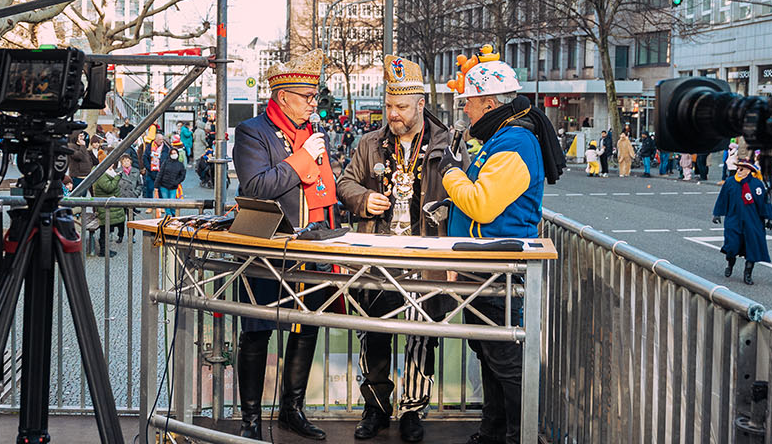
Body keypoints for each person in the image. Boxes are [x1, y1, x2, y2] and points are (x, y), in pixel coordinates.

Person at [439, 50, 562, 444]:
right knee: (489, 353)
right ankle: (493, 431)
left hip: (498, 266)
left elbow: (482, 204)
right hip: (486, 264)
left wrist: (450, 175)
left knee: (505, 359)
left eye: (470, 103)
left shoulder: (516, 142)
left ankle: (519, 435)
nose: (466, 110)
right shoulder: (504, 137)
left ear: (489, 104)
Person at [335, 56, 459, 442]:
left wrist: (453, 253)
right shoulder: (369, 143)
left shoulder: (446, 145)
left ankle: (412, 411)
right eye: (389, 105)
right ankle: (375, 408)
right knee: (373, 334)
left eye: (401, 107)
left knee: (421, 338)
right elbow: (345, 183)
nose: (393, 114)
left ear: (420, 104)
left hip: (426, 258)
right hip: (378, 258)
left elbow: (462, 198)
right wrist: (362, 199)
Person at [230, 51, 338, 441]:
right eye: (307, 96)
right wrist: (302, 160)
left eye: (314, 96)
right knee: (257, 331)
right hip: (267, 249)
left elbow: (325, 189)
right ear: (283, 97)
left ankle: (292, 410)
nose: (313, 103)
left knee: (305, 329)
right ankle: (251, 421)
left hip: (311, 248)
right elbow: (256, 187)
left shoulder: (314, 133)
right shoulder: (252, 131)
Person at [713, 159, 772, 285]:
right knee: (732, 245)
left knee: (752, 247)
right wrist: (717, 213)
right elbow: (722, 198)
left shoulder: (757, 184)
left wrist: (770, 218)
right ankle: (730, 264)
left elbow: (764, 202)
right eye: (738, 168)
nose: (739, 170)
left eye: (742, 168)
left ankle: (747, 274)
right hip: (734, 219)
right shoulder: (730, 182)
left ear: (749, 171)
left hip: (753, 220)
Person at [87, 155, 131, 256]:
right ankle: (103, 251)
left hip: (109, 206)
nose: (112, 165)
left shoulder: (105, 172)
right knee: (105, 229)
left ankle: (105, 249)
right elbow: (108, 187)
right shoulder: (101, 174)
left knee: (106, 228)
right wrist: (117, 178)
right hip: (105, 206)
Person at [137, 129, 164, 200]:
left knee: (160, 190)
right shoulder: (149, 146)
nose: (161, 141)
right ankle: (149, 203)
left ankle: (161, 203)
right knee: (149, 188)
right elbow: (144, 157)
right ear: (156, 139)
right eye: (160, 139)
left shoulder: (165, 147)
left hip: (160, 171)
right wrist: (148, 168)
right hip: (150, 171)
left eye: (162, 139)